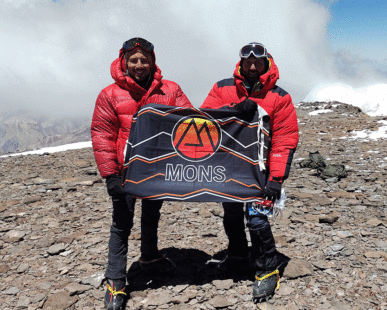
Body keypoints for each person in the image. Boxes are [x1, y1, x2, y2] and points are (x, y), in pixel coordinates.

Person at [91, 37, 192, 310]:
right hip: (126, 171)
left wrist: (235, 115)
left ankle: (149, 256)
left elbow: (191, 121)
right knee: (121, 223)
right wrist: (110, 175)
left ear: (152, 61)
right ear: (124, 61)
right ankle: (115, 281)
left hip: (157, 168)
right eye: (133, 60)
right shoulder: (109, 94)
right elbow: (103, 134)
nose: (139, 65)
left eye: (143, 60)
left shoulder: (170, 90)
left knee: (152, 214)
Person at [200, 42, 299, 301]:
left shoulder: (280, 96)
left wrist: (276, 179)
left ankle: (268, 268)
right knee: (231, 214)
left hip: (261, 171)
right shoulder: (222, 88)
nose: (253, 66)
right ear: (241, 63)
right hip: (228, 166)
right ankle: (237, 255)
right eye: (248, 62)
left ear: (267, 64)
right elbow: (205, 119)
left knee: (256, 218)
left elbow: (285, 139)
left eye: (258, 62)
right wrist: (233, 110)